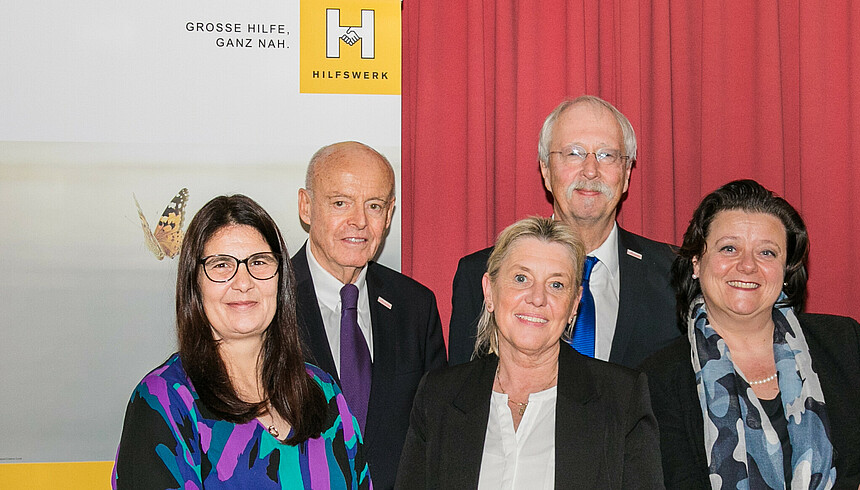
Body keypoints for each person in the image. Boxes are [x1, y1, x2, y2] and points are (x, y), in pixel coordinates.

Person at [640, 180, 860, 489]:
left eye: (767, 252)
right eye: (729, 248)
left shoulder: (844, 343)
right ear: (697, 264)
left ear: (786, 271)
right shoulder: (656, 379)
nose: (747, 265)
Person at [113, 195, 369, 489]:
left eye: (259, 262)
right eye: (221, 265)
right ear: (194, 284)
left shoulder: (323, 393)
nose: (243, 282)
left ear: (280, 278)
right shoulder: (166, 400)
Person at [396, 217, 662, 489]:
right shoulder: (438, 397)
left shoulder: (621, 399)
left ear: (574, 304)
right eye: (521, 278)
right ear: (490, 291)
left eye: (556, 284)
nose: (537, 298)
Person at [448, 95, 679, 369]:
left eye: (607, 155)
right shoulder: (481, 273)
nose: (591, 171)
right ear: (545, 169)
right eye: (574, 153)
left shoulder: (674, 275)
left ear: (627, 172)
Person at [293, 141, 446, 489]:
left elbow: (437, 432)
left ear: (389, 214)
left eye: (374, 205)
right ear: (306, 206)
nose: (359, 221)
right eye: (340, 203)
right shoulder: (268, 302)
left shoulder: (415, 306)